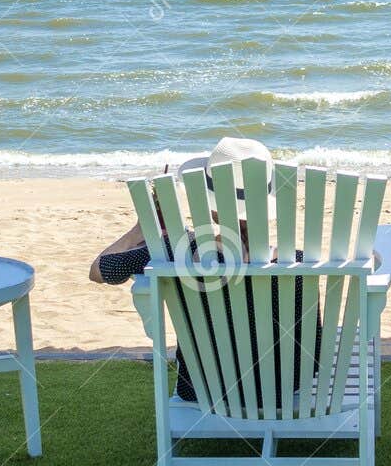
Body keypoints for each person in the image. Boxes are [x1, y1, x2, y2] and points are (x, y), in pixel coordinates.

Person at [91, 138, 316, 405]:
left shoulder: (176, 250)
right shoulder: (297, 263)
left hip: (201, 389)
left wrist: (141, 229)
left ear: (212, 206)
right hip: (282, 392)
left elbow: (99, 269)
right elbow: (311, 358)